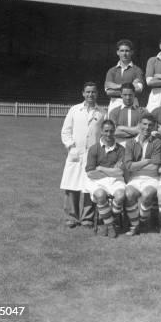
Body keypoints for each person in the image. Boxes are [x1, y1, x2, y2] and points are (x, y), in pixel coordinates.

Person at [60, 81, 105, 228]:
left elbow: (104, 135)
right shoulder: (74, 110)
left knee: (89, 185)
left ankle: (87, 217)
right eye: (88, 92)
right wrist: (71, 147)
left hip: (93, 155)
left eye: (93, 92)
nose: (90, 94)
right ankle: (71, 217)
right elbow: (66, 131)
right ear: (83, 93)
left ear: (97, 94)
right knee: (72, 185)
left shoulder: (102, 112)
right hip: (76, 153)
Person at [84, 119, 126, 238]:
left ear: (115, 132)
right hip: (97, 181)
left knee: (120, 195)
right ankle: (110, 226)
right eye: (106, 131)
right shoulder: (94, 148)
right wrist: (111, 171)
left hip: (116, 180)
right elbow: (90, 173)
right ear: (101, 131)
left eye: (111, 131)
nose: (109, 134)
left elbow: (119, 171)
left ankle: (108, 220)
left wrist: (101, 168)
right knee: (101, 195)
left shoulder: (121, 149)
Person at [123, 114, 161, 236]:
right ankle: (135, 226)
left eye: (150, 125)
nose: (147, 127)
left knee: (147, 194)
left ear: (154, 127)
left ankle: (141, 221)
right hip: (134, 178)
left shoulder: (157, 142)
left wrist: (137, 166)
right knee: (129, 194)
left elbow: (155, 167)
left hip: (152, 178)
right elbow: (129, 166)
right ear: (139, 124)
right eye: (144, 124)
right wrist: (147, 161)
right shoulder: (130, 142)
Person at [104, 39, 144, 113]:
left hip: (132, 103)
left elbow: (138, 90)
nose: (124, 54)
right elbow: (108, 91)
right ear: (117, 52)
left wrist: (115, 86)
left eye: (127, 51)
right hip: (115, 103)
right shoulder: (111, 71)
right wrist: (129, 87)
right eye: (122, 51)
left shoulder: (137, 70)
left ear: (132, 52)